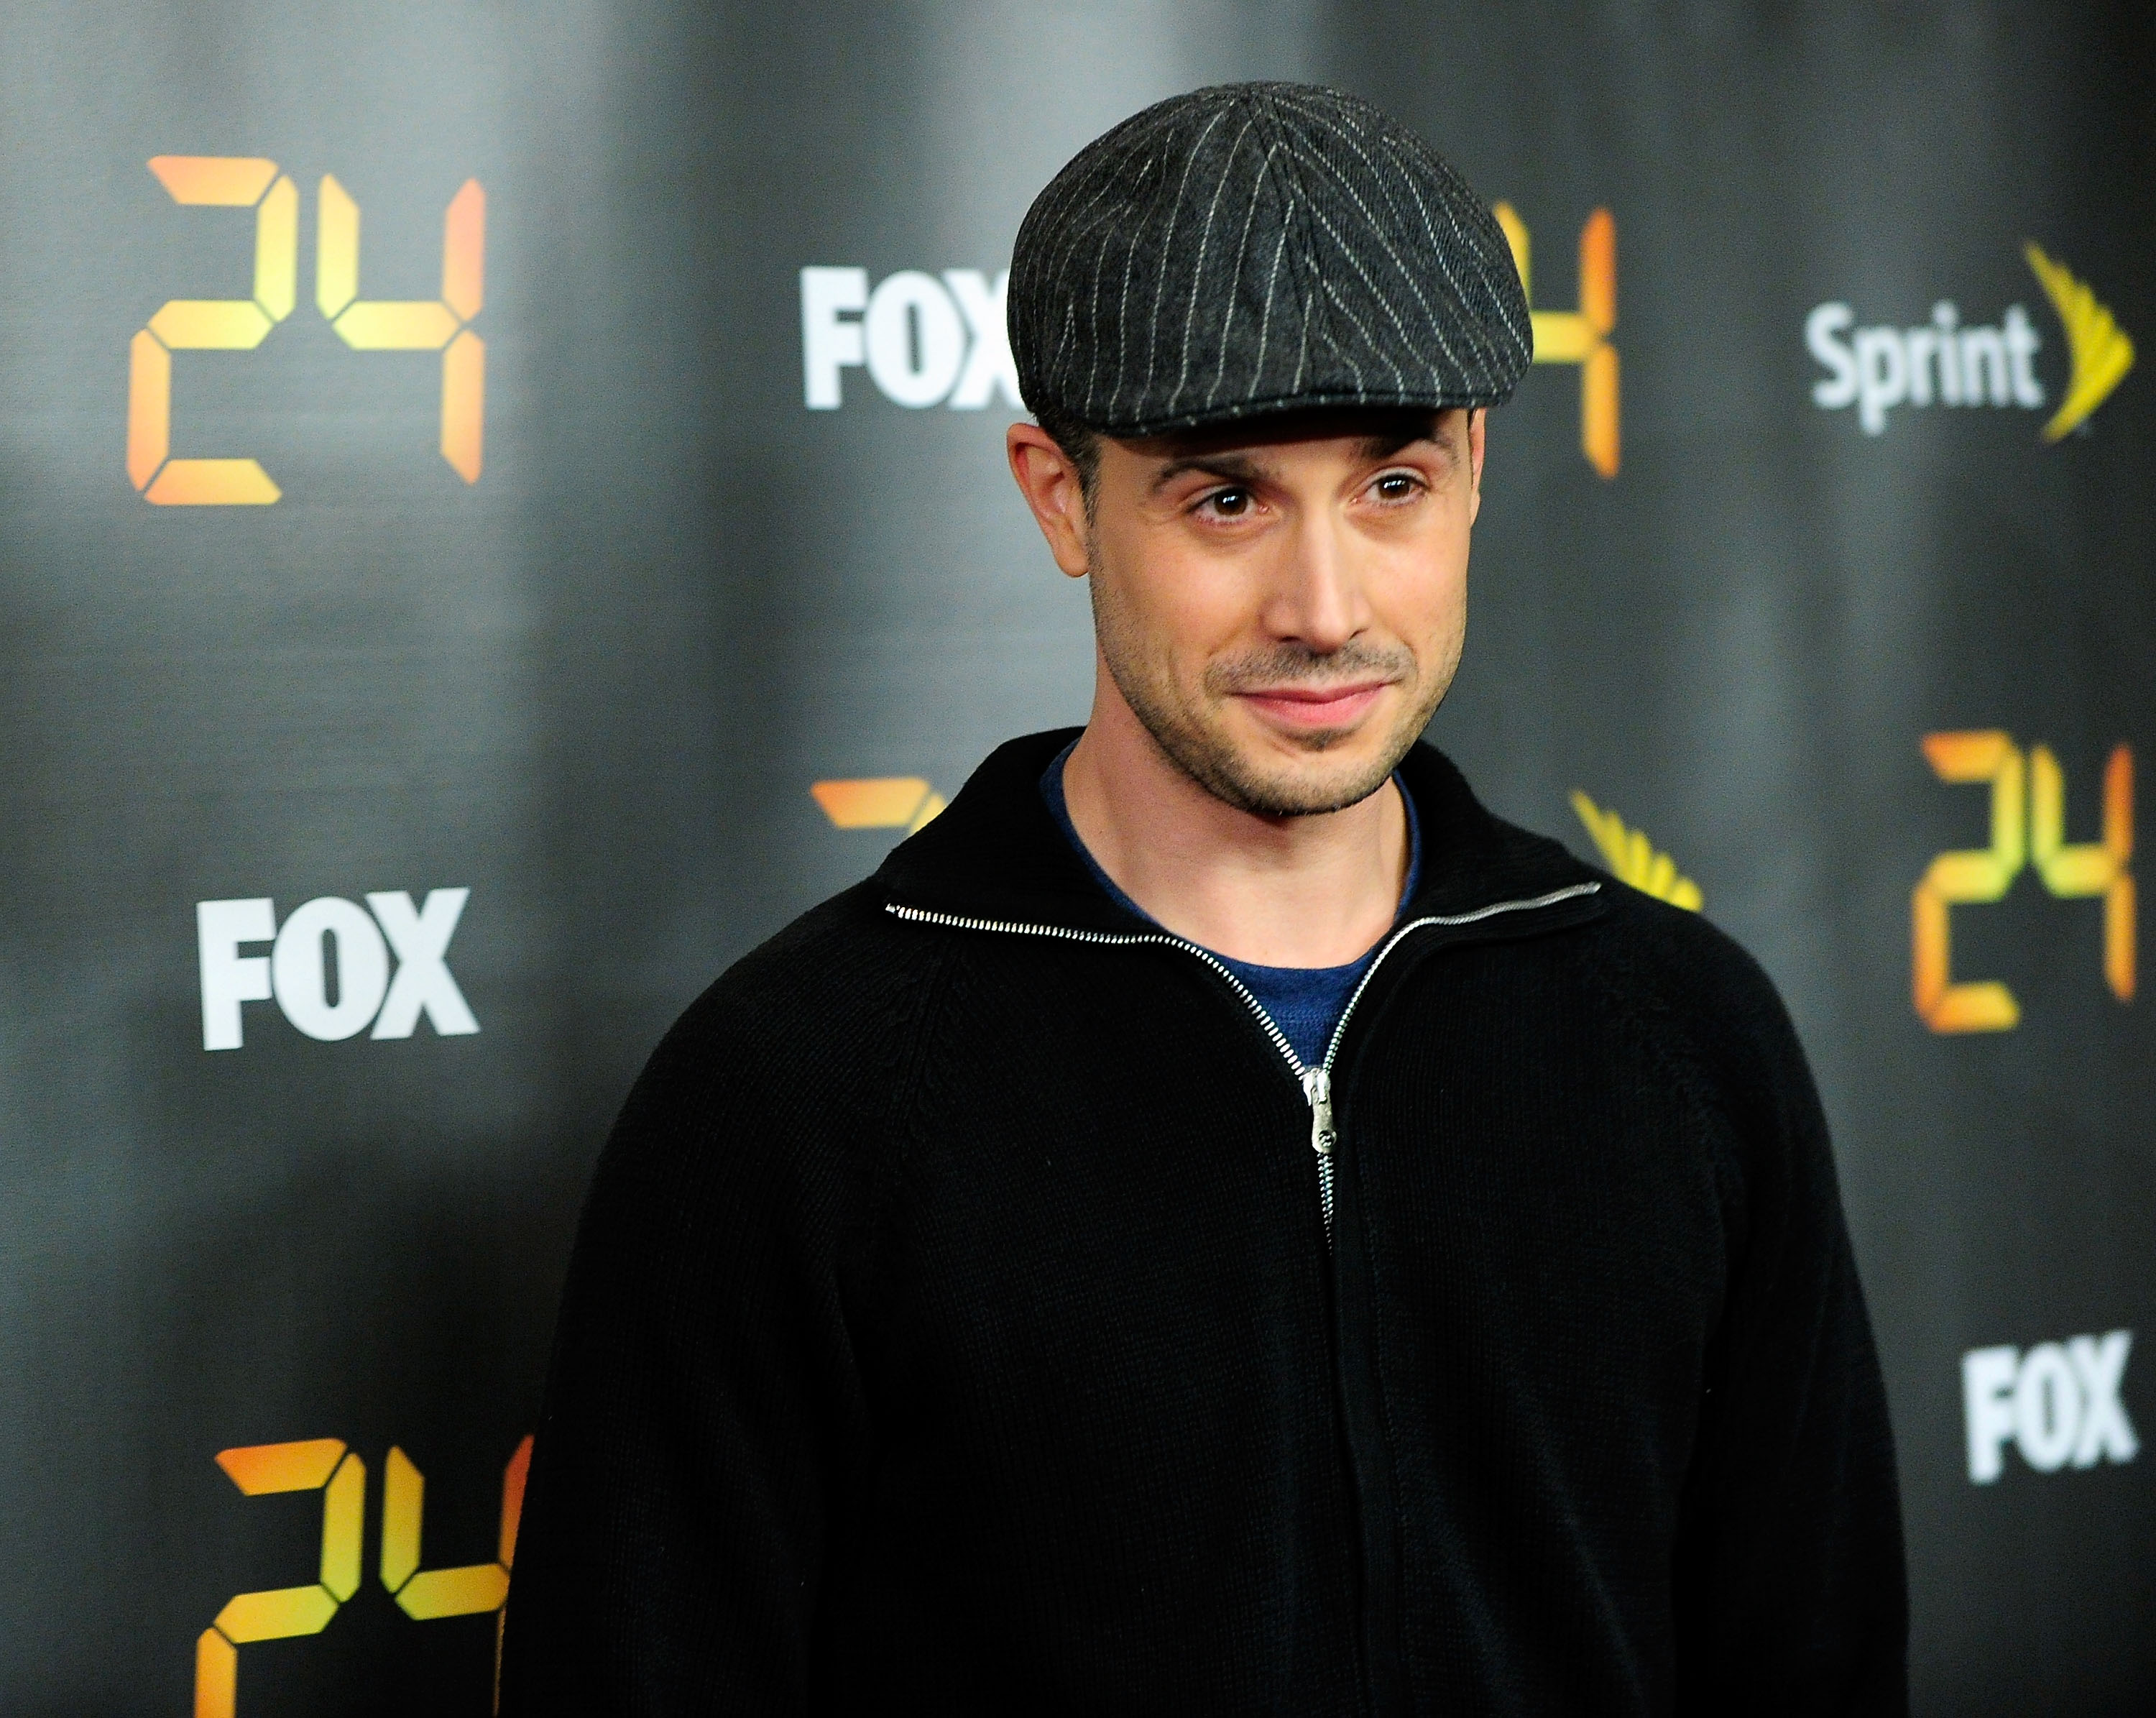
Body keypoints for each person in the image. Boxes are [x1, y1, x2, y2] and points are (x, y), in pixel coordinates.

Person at [499, 83, 1907, 1714]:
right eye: (1227, 496)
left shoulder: (1685, 1036)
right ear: (1057, 496)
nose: (1323, 608)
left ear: (1473, 474)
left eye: (1389, 486)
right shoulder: (789, 1097)